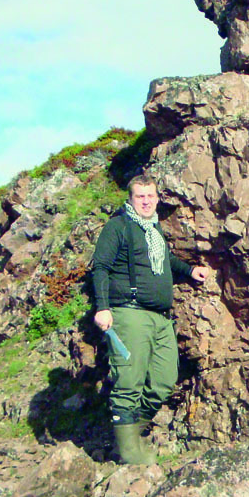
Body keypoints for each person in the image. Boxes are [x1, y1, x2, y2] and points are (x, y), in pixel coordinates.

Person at [91, 175, 212, 464]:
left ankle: (128, 438)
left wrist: (189, 270)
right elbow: (101, 268)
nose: (146, 201)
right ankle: (130, 453)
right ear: (130, 199)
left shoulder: (154, 229)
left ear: (157, 198)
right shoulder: (118, 226)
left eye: (150, 196)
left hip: (161, 319)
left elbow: (165, 260)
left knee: (164, 380)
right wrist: (102, 307)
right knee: (128, 381)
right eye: (140, 196)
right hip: (130, 314)